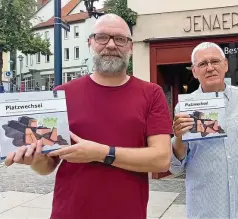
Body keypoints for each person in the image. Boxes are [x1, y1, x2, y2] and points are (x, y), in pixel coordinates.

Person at [4, 14, 173, 219]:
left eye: (120, 39)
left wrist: (101, 153)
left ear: (131, 47)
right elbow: (47, 166)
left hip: (127, 213)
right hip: (69, 212)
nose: (111, 45)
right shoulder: (62, 94)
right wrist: (35, 158)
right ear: (90, 42)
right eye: (102, 37)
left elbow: (162, 159)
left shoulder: (151, 94)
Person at [170, 42, 238, 219]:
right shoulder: (184, 108)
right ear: (194, 71)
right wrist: (179, 138)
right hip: (207, 211)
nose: (210, 68)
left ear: (225, 65)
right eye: (202, 64)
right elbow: (176, 168)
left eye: (215, 61)